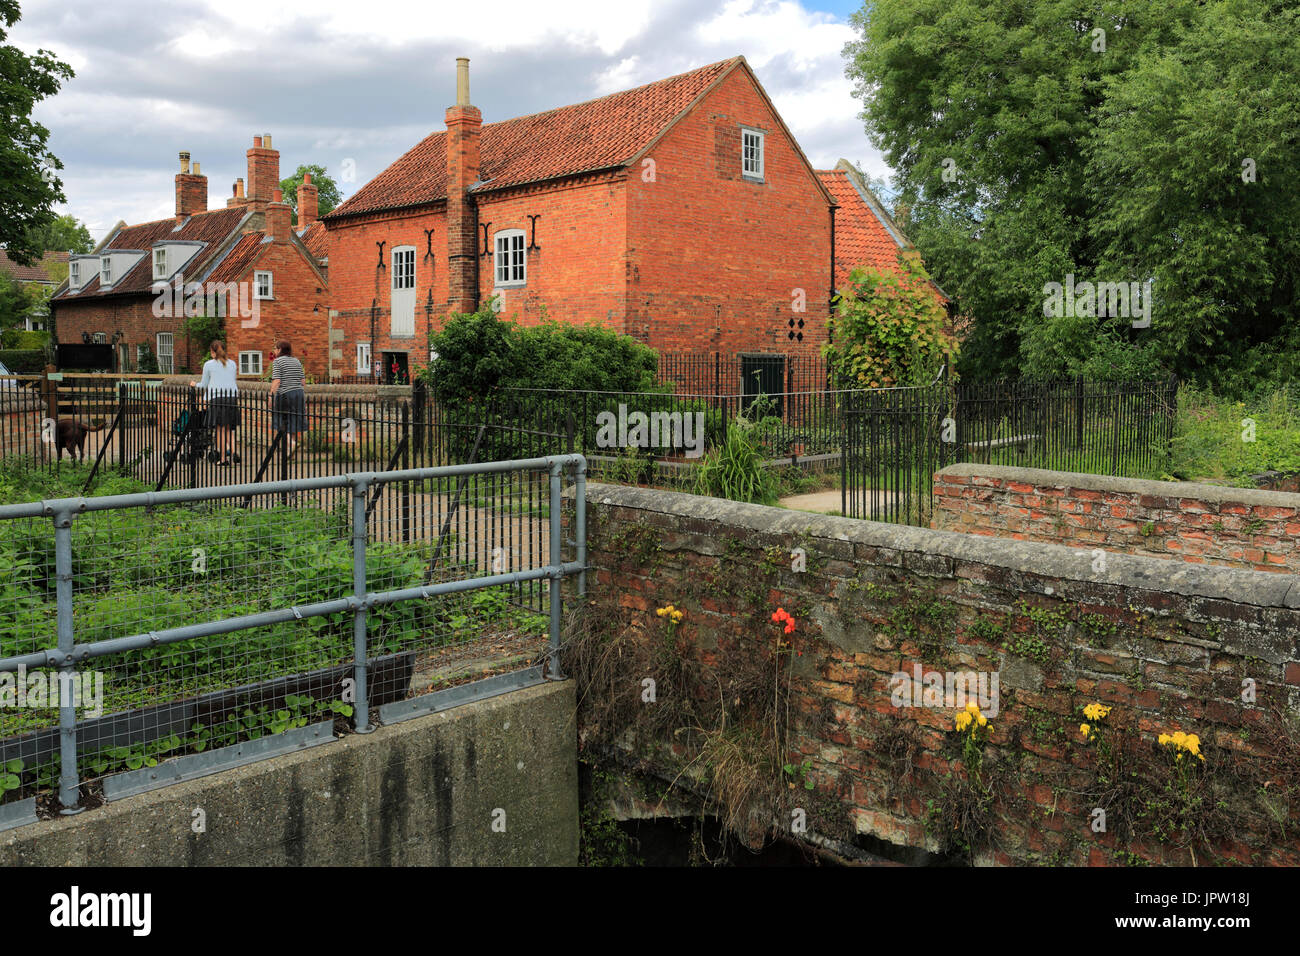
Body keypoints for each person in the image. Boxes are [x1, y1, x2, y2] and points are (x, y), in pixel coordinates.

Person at [191, 339, 240, 466]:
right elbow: (231, 380)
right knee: (229, 429)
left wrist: (194, 384)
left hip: (217, 399)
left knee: (220, 430)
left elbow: (204, 384)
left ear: (212, 352)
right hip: (232, 397)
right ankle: (234, 452)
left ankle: (223, 459)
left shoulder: (209, 364)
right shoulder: (233, 364)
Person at [269, 340, 307, 451]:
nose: (274, 351)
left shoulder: (278, 361)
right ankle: (290, 450)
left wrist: (271, 396)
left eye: (275, 348)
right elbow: (303, 381)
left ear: (280, 349)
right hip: (299, 394)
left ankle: (291, 443)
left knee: (280, 420)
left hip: (285, 394)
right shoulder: (296, 360)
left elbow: (277, 381)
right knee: (294, 421)